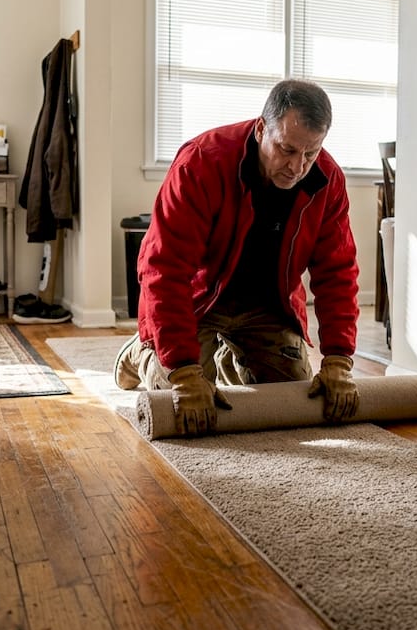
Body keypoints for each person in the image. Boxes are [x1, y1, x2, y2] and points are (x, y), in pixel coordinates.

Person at [114, 79, 361, 437]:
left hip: (270, 307)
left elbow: (337, 272)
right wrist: (183, 371)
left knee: (294, 396)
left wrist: (339, 359)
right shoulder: (201, 163)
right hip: (199, 302)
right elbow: (164, 269)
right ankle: (142, 350)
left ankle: (230, 355)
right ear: (262, 129)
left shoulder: (327, 180)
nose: (297, 167)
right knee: (177, 399)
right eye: (287, 150)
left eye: (310, 153)